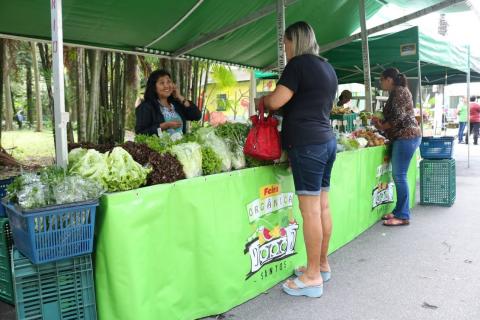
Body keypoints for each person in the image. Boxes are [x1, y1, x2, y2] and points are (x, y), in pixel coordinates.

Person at [258, 21, 338, 298]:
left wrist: (263, 100)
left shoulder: (298, 65)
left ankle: (313, 277)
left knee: (311, 212)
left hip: (307, 144)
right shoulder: (327, 67)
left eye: (286, 42)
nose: (284, 48)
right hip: (327, 141)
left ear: (295, 41)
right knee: (323, 207)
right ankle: (322, 265)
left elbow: (278, 101)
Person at [372, 68, 421, 227]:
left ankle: (403, 215)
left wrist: (383, 125)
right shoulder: (396, 92)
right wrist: (380, 124)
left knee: (399, 176)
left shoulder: (399, 92)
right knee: (399, 175)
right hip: (404, 137)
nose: (381, 83)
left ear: (389, 80)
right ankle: (399, 210)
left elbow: (399, 117)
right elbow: (394, 116)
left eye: (382, 80)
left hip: (406, 136)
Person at [135, 69, 201, 136]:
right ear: (154, 87)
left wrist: (180, 96)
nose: (166, 86)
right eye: (162, 83)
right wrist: (163, 126)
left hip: (180, 145)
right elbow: (140, 133)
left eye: (169, 82)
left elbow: (196, 116)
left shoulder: (176, 104)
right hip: (157, 146)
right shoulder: (146, 107)